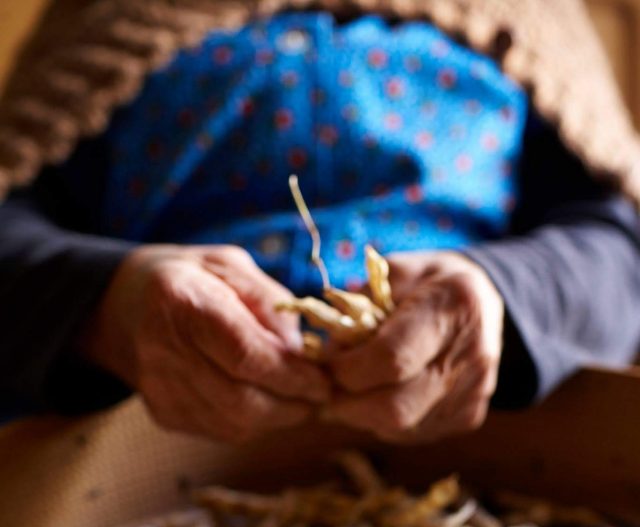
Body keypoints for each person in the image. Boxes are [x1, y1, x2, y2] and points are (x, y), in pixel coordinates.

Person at [0, 0, 639, 444]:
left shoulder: (530, 20)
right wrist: (108, 308)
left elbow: (620, 249)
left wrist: (499, 296)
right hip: (131, 468)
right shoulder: (107, 19)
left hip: (494, 463)